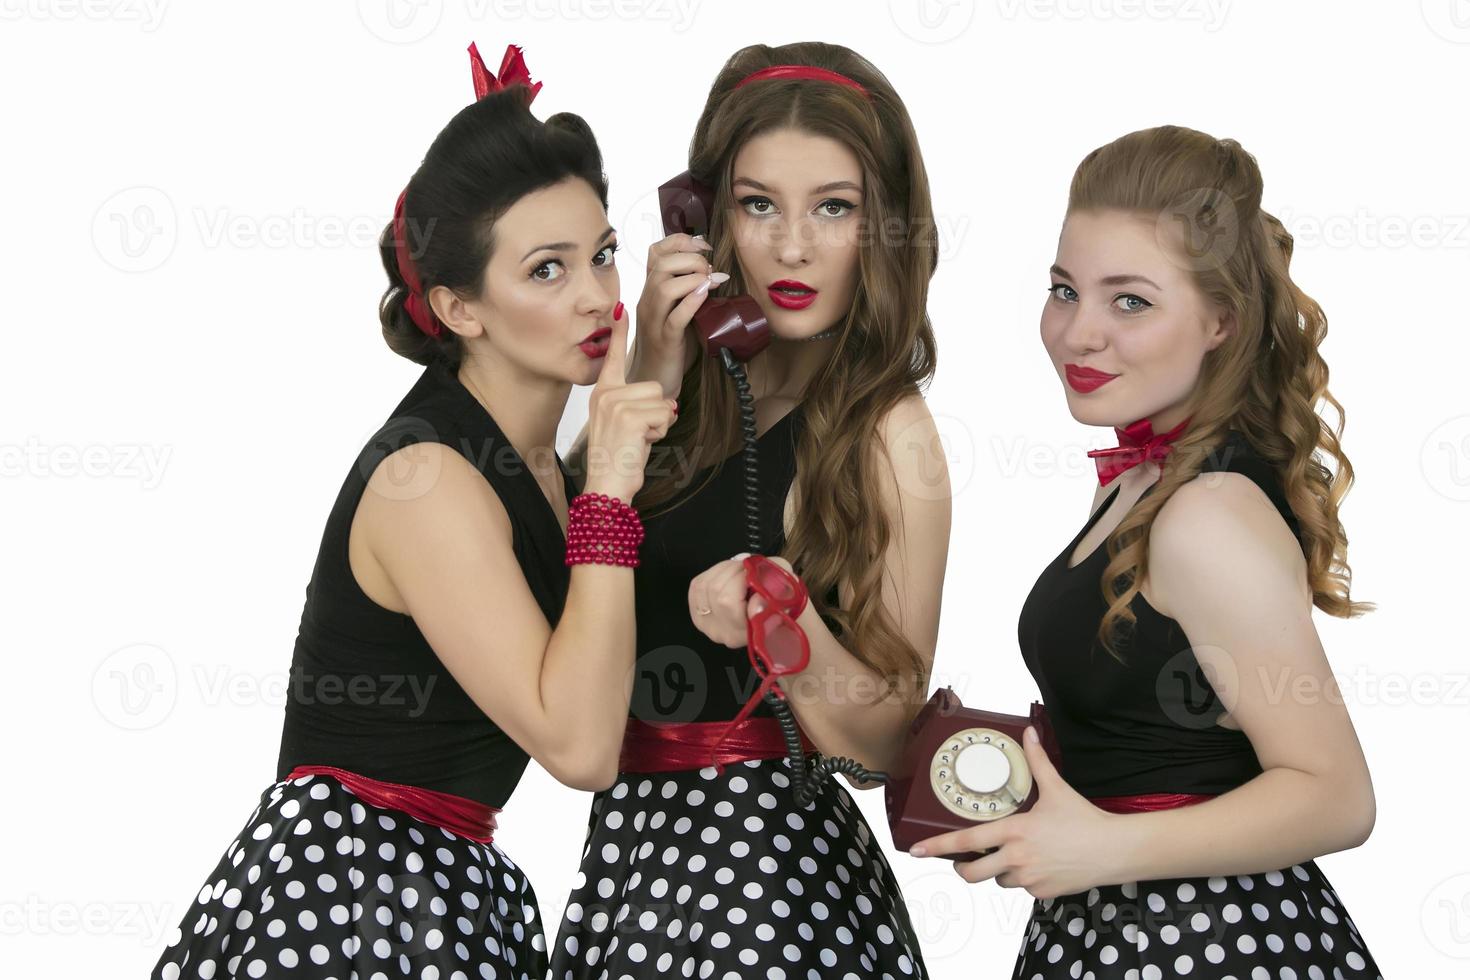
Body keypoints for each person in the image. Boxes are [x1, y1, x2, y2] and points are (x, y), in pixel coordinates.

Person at [150, 44, 676, 980]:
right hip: (350, 899)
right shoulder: (428, 479)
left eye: (602, 254)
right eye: (547, 271)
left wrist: (657, 374)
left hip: (438, 887)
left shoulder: (536, 468)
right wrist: (609, 487)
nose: (598, 296)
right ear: (459, 308)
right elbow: (582, 745)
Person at [911, 125, 1383, 979]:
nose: (1076, 334)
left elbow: (1337, 795)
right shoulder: (1146, 478)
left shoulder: (1206, 511)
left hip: (1211, 944)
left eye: (1129, 300)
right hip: (1119, 933)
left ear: (1220, 323)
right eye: (1064, 290)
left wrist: (1103, 850)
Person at [551, 41, 949, 979]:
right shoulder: (685, 378)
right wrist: (653, 358)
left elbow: (892, 736)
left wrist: (785, 617)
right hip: (630, 865)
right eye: (758, 203)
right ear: (706, 214)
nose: (793, 246)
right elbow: (556, 575)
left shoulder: (890, 429)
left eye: (835, 209)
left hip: (770, 884)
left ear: (883, 226)